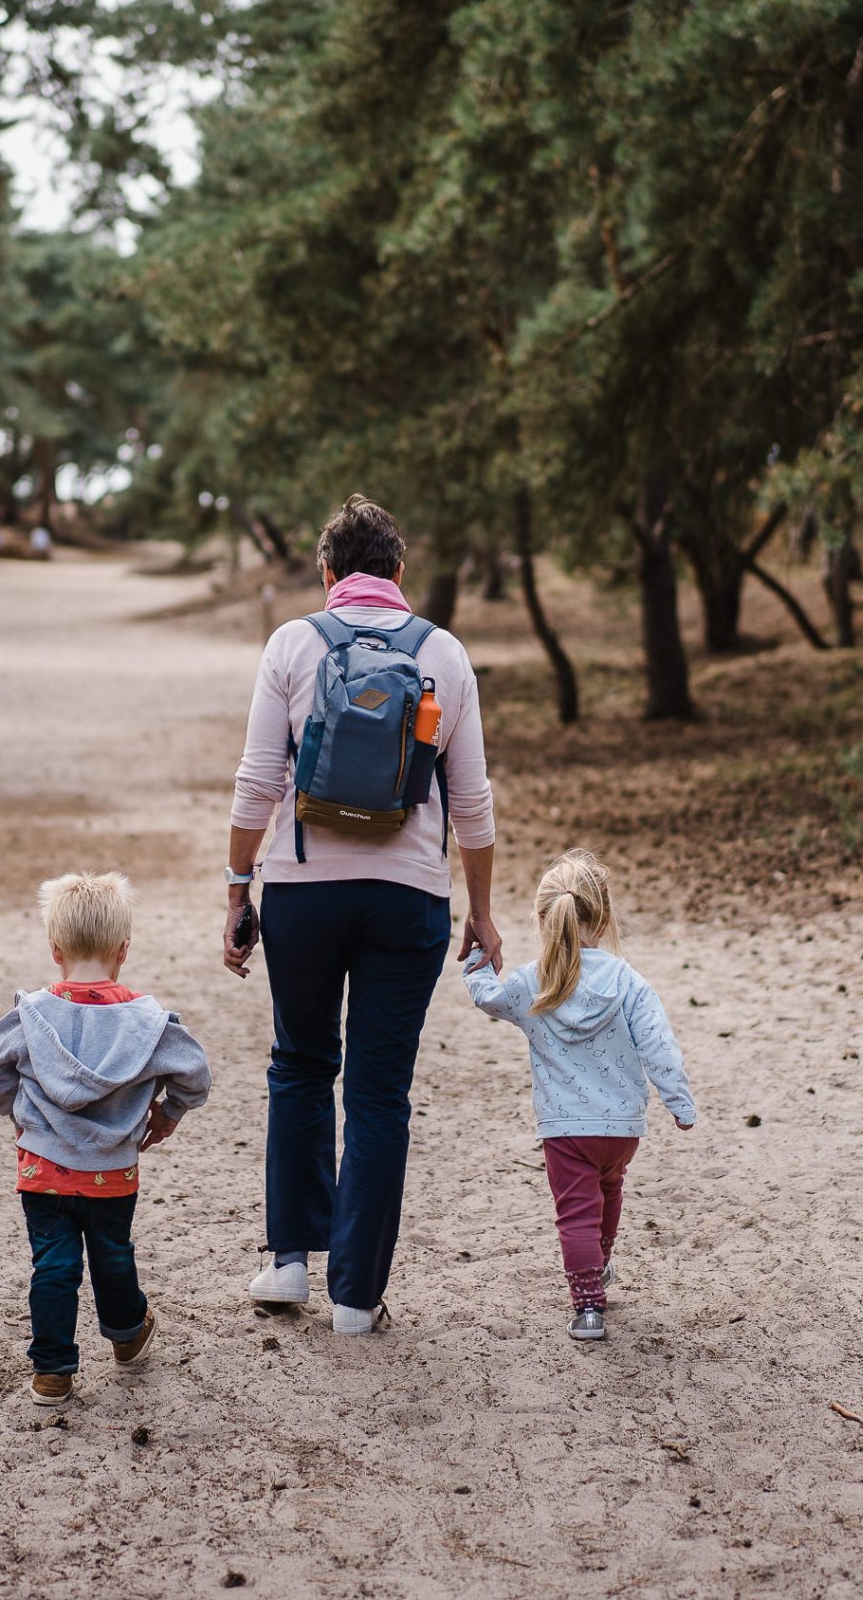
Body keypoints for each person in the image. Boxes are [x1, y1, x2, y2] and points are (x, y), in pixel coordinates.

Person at [223, 494, 500, 1334]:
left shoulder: (292, 643)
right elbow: (475, 805)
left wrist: (239, 889)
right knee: (380, 1095)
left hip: (303, 894)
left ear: (327, 573)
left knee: (301, 1064)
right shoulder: (445, 654)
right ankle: (356, 1297)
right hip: (409, 897)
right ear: (400, 574)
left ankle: (290, 1265)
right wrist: (480, 911)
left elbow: (256, 784)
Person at [0, 872, 211, 1404]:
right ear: (123, 950)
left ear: (55, 949)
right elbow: (194, 1074)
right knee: (112, 1253)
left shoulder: (30, 1017)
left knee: (54, 1264)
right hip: (113, 1169)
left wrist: (18, 1115)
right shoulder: (148, 1023)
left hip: (43, 1167)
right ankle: (129, 1336)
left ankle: (53, 1371)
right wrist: (169, 1112)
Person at [462, 850, 695, 1341]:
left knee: (575, 1214)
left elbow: (487, 997)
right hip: (622, 1127)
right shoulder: (627, 980)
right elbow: (659, 1045)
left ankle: (588, 1307)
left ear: (544, 918)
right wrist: (679, 1101)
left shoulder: (532, 982)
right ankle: (601, 1266)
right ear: (604, 915)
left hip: (565, 1130)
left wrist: (478, 965)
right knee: (610, 1193)